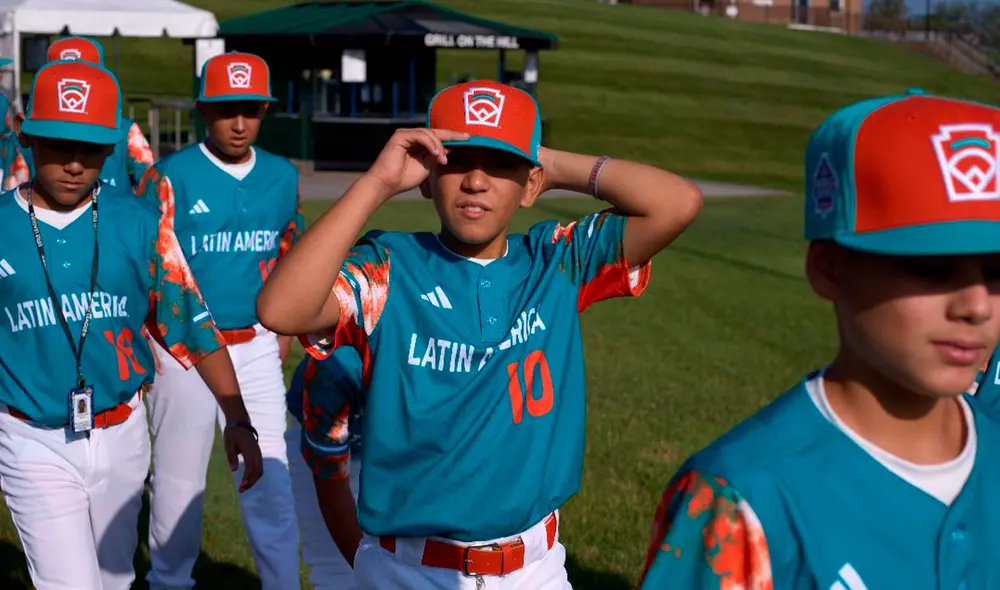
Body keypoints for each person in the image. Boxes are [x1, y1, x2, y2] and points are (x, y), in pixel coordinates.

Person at [256, 79, 703, 589]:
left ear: (532, 184)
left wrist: (549, 164)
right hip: (412, 570)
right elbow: (280, 308)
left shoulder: (555, 262)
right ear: (427, 175)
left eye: (500, 164)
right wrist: (377, 183)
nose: (476, 181)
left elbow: (677, 202)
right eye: (458, 160)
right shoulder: (390, 268)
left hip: (536, 567)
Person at [638, 89, 1000, 588]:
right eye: (930, 269)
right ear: (829, 268)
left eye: (997, 273)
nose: (977, 306)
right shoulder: (739, 499)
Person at [0, 59, 262, 590]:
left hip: (122, 431)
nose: (74, 164)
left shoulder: (139, 221)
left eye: (91, 149)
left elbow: (190, 323)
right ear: (28, 141)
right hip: (32, 435)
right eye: (58, 145)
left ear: (111, 148)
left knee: (115, 580)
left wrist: (237, 416)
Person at [138, 51, 304, 590]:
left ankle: (280, 584)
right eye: (226, 109)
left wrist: (282, 327)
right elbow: (149, 269)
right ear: (203, 111)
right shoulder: (169, 177)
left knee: (270, 475)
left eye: (251, 110)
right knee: (179, 481)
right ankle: (170, 581)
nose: (240, 123)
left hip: (253, 345)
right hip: (184, 350)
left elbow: (290, 251)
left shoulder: (280, 175)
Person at [2, 35, 154, 193]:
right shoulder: (29, 131)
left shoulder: (126, 130)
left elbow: (150, 181)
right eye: (57, 146)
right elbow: (13, 195)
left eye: (92, 147)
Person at [286, 347, 365, 590]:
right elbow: (332, 489)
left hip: (406, 454)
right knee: (337, 573)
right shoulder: (334, 367)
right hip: (336, 432)